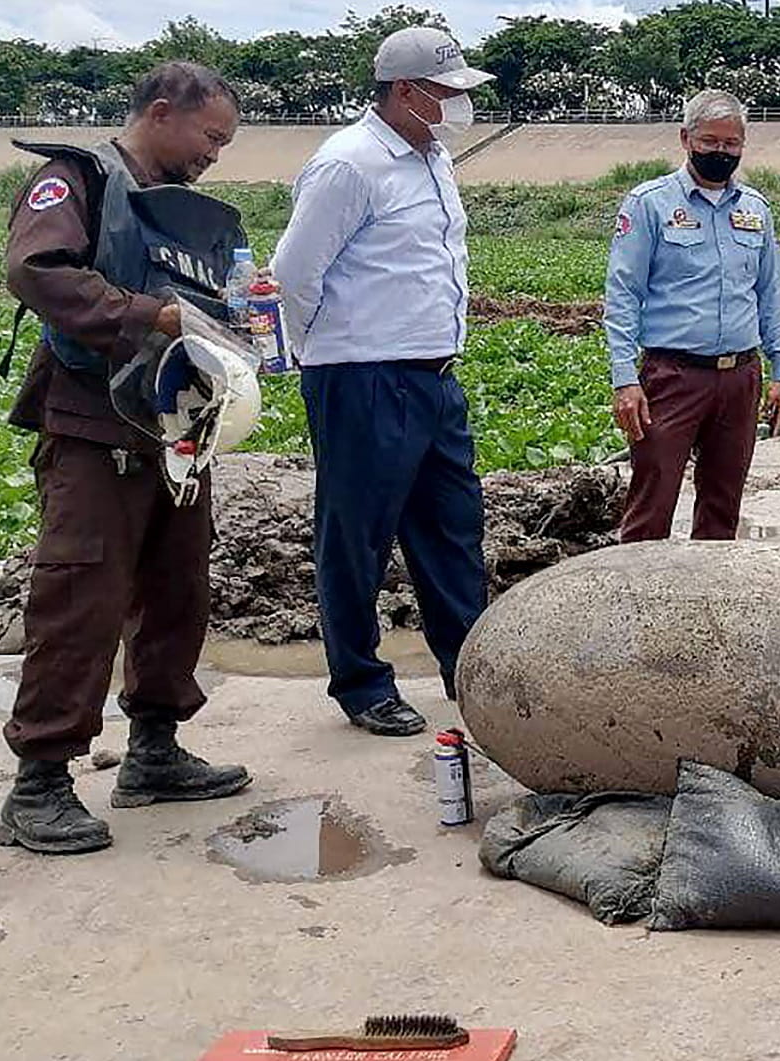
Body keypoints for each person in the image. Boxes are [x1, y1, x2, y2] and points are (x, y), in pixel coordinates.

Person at [0, 62, 252, 855]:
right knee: (82, 595)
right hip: (92, 420)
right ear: (163, 111)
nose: (216, 154)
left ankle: (155, 751)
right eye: (210, 136)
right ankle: (39, 783)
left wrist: (238, 315)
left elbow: (209, 305)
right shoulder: (77, 178)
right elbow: (35, 271)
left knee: (178, 588)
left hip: (176, 424)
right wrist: (152, 316)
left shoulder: (190, 215)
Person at [272, 27, 494, 738]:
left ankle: (469, 668)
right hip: (363, 378)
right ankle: (361, 684)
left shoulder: (433, 158)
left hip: (434, 375)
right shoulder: (349, 164)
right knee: (356, 535)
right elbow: (295, 274)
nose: (459, 105)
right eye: (448, 92)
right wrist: (325, 356)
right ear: (405, 90)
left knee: (452, 529)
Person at [605, 90, 780, 541]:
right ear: (686, 138)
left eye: (732, 144)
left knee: (723, 506)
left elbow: (771, 295)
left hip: (739, 377)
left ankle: (709, 602)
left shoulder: (755, 210)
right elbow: (622, 294)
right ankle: (638, 599)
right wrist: (624, 379)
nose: (721, 153)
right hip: (673, 376)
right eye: (710, 142)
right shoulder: (648, 204)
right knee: (653, 498)